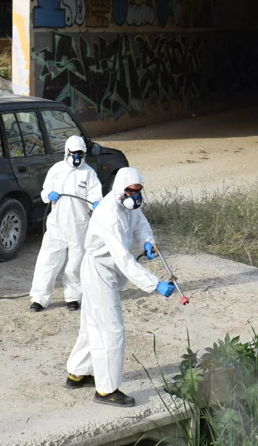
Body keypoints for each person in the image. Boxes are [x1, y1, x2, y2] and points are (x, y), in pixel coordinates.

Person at [65, 166, 173, 406]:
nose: (136, 196)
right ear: (120, 190)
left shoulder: (129, 205)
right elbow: (123, 260)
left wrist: (147, 242)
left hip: (106, 271)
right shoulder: (109, 215)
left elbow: (140, 224)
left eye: (139, 191)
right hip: (98, 273)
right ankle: (106, 389)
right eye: (132, 191)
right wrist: (155, 285)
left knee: (92, 324)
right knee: (112, 330)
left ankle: (78, 372)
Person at [29, 135, 103, 312]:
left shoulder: (89, 173)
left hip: (79, 225)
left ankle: (73, 297)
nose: (77, 157)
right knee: (48, 261)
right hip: (56, 225)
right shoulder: (57, 169)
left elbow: (95, 195)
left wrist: (95, 203)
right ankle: (39, 298)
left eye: (80, 154)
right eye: (74, 153)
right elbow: (45, 190)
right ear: (66, 152)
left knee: (75, 264)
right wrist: (49, 194)